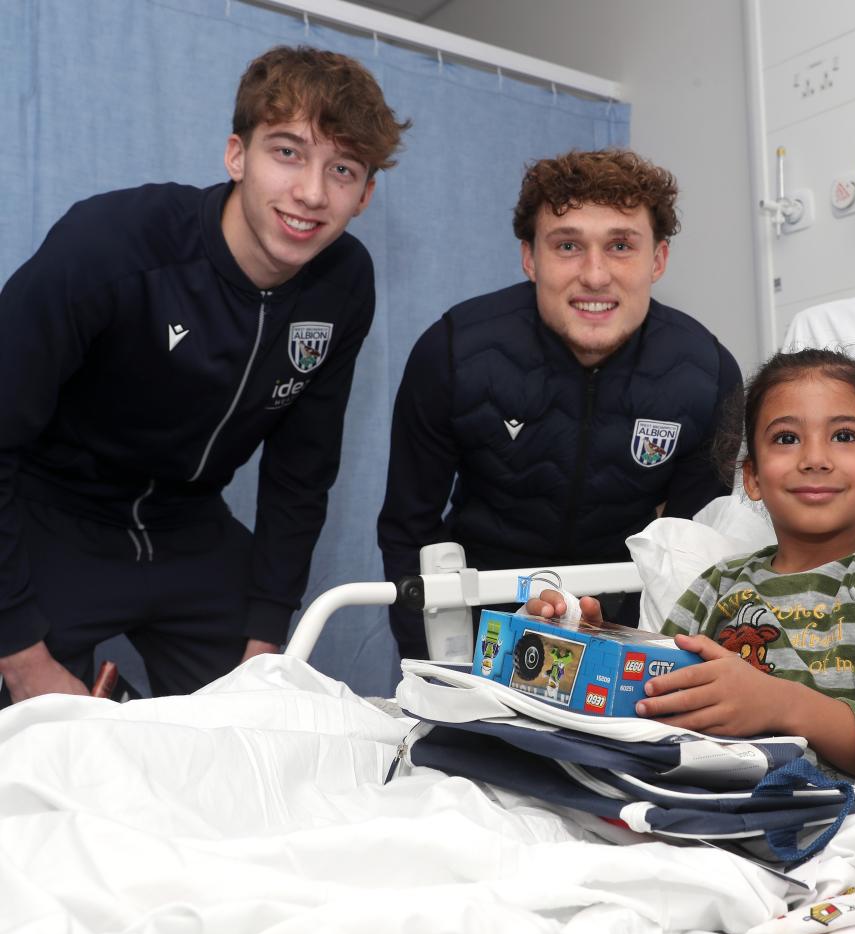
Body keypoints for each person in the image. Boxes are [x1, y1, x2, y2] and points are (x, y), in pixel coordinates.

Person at [0, 46, 410, 704]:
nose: (311, 192)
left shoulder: (344, 284)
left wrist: (265, 637)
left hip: (188, 529)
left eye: (342, 169)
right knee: (32, 746)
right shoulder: (111, 245)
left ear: (364, 195)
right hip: (53, 516)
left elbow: (300, 471)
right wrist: (21, 659)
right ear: (235, 155)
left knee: (264, 734)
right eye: (287, 152)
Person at [529, 348, 855, 795]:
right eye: (787, 438)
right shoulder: (719, 584)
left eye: (844, 436)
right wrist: (591, 642)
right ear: (752, 477)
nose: (815, 458)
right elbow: (654, 688)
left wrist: (780, 704)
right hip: (683, 790)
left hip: (811, 808)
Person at [378, 148, 742, 660]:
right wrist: (434, 666)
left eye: (621, 246)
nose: (595, 276)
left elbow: (693, 552)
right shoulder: (455, 353)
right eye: (568, 245)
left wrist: (657, 659)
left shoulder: (705, 375)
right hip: (479, 630)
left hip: (624, 633)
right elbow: (407, 527)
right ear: (530, 257)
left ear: (657, 259)